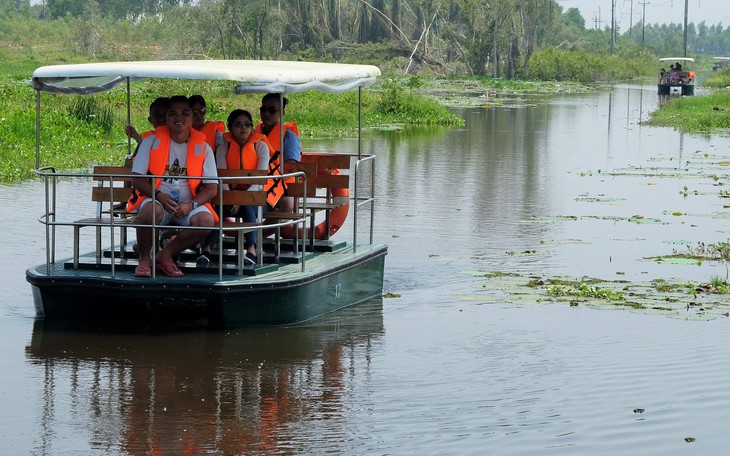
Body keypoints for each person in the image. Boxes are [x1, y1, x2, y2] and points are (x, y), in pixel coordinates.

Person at [127, 95, 219, 278]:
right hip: (159, 200)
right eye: (173, 113)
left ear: (192, 118)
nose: (179, 118)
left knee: (206, 221)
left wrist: (191, 204)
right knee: (148, 211)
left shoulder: (204, 147)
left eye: (185, 113)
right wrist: (159, 195)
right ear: (167, 118)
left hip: (187, 205)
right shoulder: (150, 142)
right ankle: (144, 259)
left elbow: (212, 188)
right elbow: (136, 179)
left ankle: (165, 254)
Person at [207, 109, 274, 263]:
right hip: (229, 196)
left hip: (257, 198)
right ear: (230, 128)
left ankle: (251, 249)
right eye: (238, 124)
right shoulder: (224, 148)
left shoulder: (260, 146)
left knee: (247, 206)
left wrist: (241, 199)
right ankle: (207, 248)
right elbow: (222, 179)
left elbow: (259, 180)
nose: (243, 128)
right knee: (217, 208)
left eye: (247, 124)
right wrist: (231, 198)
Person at [255, 93, 302, 212]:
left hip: (281, 185)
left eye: (272, 110)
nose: (266, 114)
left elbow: (291, 168)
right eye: (263, 109)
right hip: (255, 182)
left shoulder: (289, 137)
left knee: (287, 204)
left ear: (282, 113)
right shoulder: (253, 134)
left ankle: (272, 229)